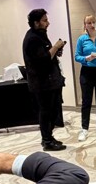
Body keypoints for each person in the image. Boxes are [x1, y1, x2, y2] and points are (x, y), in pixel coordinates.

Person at [22, 9, 68, 152]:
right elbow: (42, 60)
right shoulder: (32, 39)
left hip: (50, 81)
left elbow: (48, 55)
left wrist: (56, 50)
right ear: (36, 23)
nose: (48, 23)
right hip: (42, 83)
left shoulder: (40, 35)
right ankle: (47, 141)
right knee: (46, 112)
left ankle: (49, 137)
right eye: (45, 20)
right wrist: (56, 47)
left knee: (53, 111)